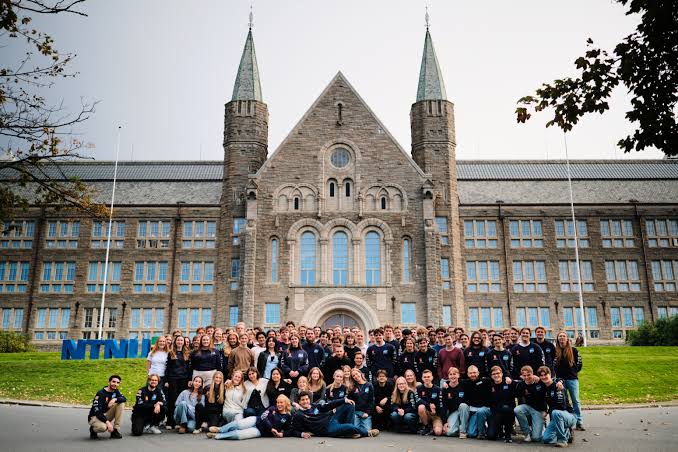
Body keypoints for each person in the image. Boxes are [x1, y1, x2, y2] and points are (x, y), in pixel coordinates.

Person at [291, 391, 380, 438]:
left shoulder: (315, 406)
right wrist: (301, 434)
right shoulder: (299, 415)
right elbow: (293, 430)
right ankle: (367, 433)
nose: (305, 401)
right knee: (349, 426)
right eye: (303, 400)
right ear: (299, 402)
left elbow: (329, 405)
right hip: (327, 429)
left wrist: (344, 400)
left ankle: (349, 433)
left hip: (332, 418)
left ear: (309, 400)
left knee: (349, 404)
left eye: (307, 399)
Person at [208, 395, 296, 440]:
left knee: (239, 435)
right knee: (238, 424)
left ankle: (218, 435)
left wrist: (282, 434)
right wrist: (271, 428)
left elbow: (290, 430)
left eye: (281, 403)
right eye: (278, 402)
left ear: (286, 403)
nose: (279, 404)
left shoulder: (287, 416)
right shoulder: (272, 408)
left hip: (260, 431)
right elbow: (263, 417)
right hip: (256, 420)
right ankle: (220, 429)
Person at [554, 331, 584, 430]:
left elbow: (579, 364)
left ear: (567, 339)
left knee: (575, 400)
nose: (562, 338)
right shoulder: (555, 351)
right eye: (560, 336)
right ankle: (566, 421)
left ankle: (579, 422)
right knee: (563, 401)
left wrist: (573, 372)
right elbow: (553, 366)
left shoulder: (574, 350)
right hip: (560, 380)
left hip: (572, 379)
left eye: (564, 336)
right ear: (558, 339)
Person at [539, 366, 575, 447]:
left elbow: (562, 406)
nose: (544, 377)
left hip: (568, 415)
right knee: (546, 439)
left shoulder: (558, 386)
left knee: (555, 412)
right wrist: (545, 411)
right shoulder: (544, 388)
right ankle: (567, 433)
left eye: (545, 374)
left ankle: (562, 440)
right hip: (556, 417)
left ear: (550, 374)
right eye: (541, 375)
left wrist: (548, 411)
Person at [514, 365, 547, 443]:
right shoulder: (521, 385)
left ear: (532, 374)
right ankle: (527, 434)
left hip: (538, 410)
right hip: (528, 407)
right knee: (517, 410)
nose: (527, 377)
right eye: (524, 375)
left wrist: (545, 410)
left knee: (536, 438)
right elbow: (516, 395)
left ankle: (541, 427)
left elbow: (545, 398)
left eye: (528, 375)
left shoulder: (539, 382)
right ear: (522, 376)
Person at [88, 374, 126, 439]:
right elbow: (97, 412)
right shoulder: (101, 393)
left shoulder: (116, 391)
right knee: (103, 428)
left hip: (105, 414)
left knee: (121, 404)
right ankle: (93, 429)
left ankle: (115, 431)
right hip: (95, 416)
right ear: (109, 382)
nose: (115, 384)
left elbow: (124, 399)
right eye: (113, 382)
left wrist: (115, 399)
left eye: (118, 383)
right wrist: (108, 423)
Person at [164, 335, 190, 429]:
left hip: (183, 379)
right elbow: (167, 368)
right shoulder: (171, 353)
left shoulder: (187, 353)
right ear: (175, 342)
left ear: (184, 342)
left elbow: (188, 368)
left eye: (181, 340)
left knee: (182, 400)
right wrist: (166, 380)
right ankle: (170, 422)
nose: (180, 342)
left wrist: (189, 379)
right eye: (178, 340)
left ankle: (178, 421)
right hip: (173, 379)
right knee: (172, 400)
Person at [487, 365, 518, 442]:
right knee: (491, 436)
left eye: (498, 373)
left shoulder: (509, 382)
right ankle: (499, 430)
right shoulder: (489, 384)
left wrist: (535, 378)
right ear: (491, 376)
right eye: (494, 374)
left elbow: (521, 383)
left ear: (502, 374)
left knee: (506, 409)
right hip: (496, 413)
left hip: (508, 412)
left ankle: (508, 434)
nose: (496, 375)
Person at [463, 365, 491, 439]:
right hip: (473, 412)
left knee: (481, 411)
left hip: (483, 410)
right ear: (468, 374)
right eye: (470, 373)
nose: (473, 374)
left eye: (474, 372)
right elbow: (454, 380)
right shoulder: (465, 383)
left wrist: (506, 378)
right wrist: (446, 383)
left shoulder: (486, 381)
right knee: (471, 434)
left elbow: (497, 379)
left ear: (478, 373)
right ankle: (479, 426)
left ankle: (483, 430)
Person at [442, 367, 469, 438]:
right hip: (453, 412)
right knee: (449, 433)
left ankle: (463, 431)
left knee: (463, 405)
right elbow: (444, 406)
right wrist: (444, 422)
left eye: (454, 374)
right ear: (448, 376)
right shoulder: (445, 389)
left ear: (458, 375)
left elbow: (472, 380)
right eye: (450, 374)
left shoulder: (464, 384)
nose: (452, 376)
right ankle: (458, 427)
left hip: (464, 410)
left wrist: (444, 382)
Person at [416, 369, 444, 436]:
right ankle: (426, 427)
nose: (426, 378)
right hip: (426, 413)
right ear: (422, 378)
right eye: (425, 377)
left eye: (428, 377)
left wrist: (435, 408)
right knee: (421, 407)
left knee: (438, 432)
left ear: (432, 377)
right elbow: (417, 400)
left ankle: (433, 427)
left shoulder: (438, 389)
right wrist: (429, 405)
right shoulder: (418, 388)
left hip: (435, 414)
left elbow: (441, 403)